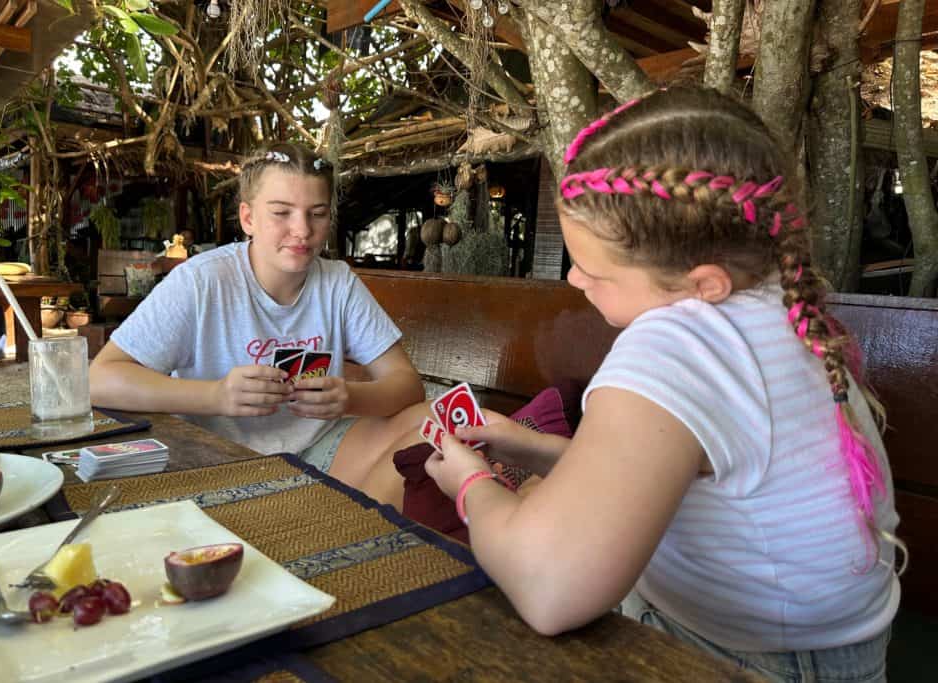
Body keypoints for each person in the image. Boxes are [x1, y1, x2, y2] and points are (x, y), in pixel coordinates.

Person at [423, 87, 904, 682]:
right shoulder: (777, 307)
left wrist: (468, 486)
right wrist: (534, 449)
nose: (575, 279)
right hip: (835, 653)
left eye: (594, 270)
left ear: (702, 283)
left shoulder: (680, 344)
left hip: (742, 659)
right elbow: (699, 481)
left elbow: (550, 590)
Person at [90, 143, 425, 502]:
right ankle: (335, 517)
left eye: (317, 213)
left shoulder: (337, 282)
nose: (302, 230)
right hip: (218, 458)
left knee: (436, 420)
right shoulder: (202, 281)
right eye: (282, 212)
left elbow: (407, 386)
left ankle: (353, 525)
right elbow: (99, 380)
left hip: (324, 448)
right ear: (248, 218)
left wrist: (349, 397)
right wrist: (216, 395)